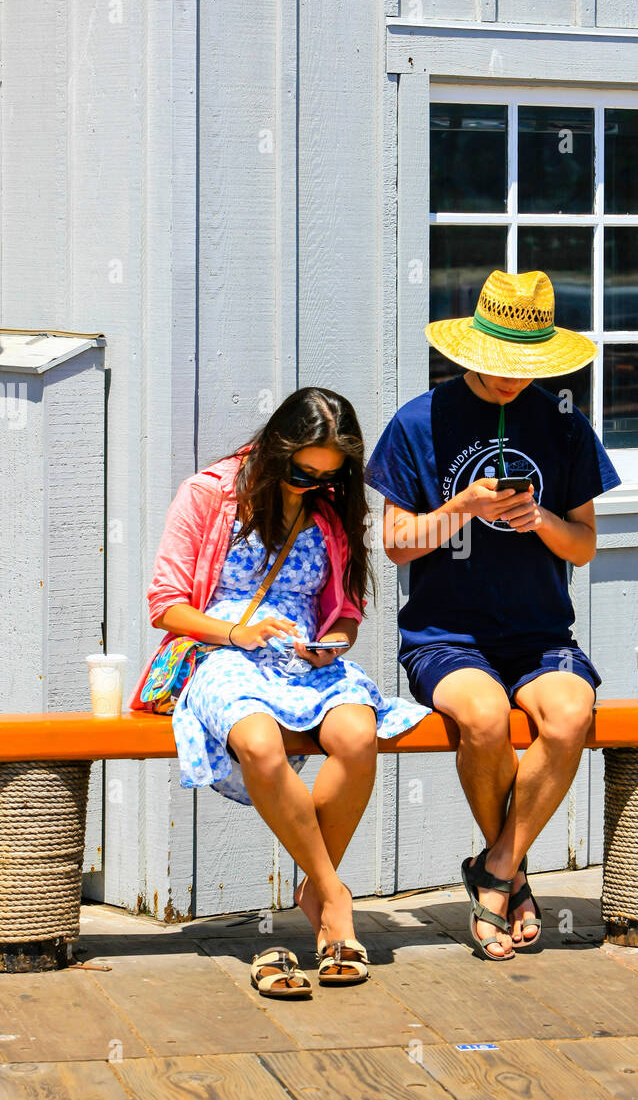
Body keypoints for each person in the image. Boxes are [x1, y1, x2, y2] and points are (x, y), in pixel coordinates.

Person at [128, 387, 431, 996]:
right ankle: (334, 896)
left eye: (327, 476)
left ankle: (313, 890)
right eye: (300, 470)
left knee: (358, 732)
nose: (310, 484)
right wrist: (240, 630)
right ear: (275, 446)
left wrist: (334, 642)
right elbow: (166, 607)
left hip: (301, 659)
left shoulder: (329, 509)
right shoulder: (209, 494)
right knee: (260, 745)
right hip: (222, 650)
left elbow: (346, 609)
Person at [365, 270, 622, 961]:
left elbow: (585, 545)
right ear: (470, 349)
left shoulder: (564, 423)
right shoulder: (420, 422)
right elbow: (394, 545)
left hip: (541, 634)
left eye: (527, 366)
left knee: (569, 716)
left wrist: (538, 517)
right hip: (445, 634)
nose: (514, 381)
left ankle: (498, 869)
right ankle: (515, 879)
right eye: (503, 364)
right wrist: (461, 509)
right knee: (481, 720)